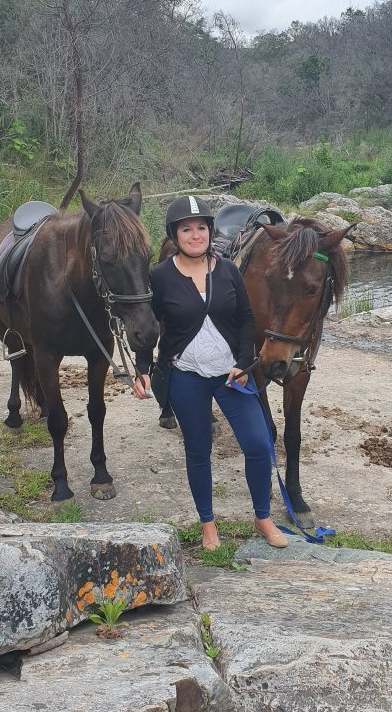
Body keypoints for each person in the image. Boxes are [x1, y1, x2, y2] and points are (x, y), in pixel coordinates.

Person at [132, 195, 288, 551]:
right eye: (186, 229)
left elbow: (246, 318)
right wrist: (143, 368)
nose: (195, 235)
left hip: (229, 375)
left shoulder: (228, 270)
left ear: (209, 231)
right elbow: (147, 324)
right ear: (175, 234)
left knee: (259, 444)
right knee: (198, 450)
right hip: (185, 375)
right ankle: (208, 525)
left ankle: (263, 517)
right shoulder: (160, 277)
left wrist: (243, 360)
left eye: (201, 227)